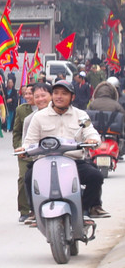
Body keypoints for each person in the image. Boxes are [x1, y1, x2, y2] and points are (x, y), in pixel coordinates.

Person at [22, 79, 107, 218]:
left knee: (95, 176)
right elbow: (29, 141)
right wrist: (24, 150)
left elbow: (91, 133)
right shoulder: (38, 117)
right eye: (56, 93)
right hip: (45, 162)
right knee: (29, 177)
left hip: (74, 161)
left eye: (64, 93)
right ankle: (34, 212)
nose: (59, 96)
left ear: (72, 97)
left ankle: (88, 208)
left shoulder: (81, 115)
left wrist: (93, 140)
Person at [13, 83, 51, 225]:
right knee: (26, 178)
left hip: (52, 153)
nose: (38, 99)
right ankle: (27, 210)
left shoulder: (63, 112)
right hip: (29, 152)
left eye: (43, 95)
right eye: (35, 96)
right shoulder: (26, 114)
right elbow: (20, 134)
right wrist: (21, 149)